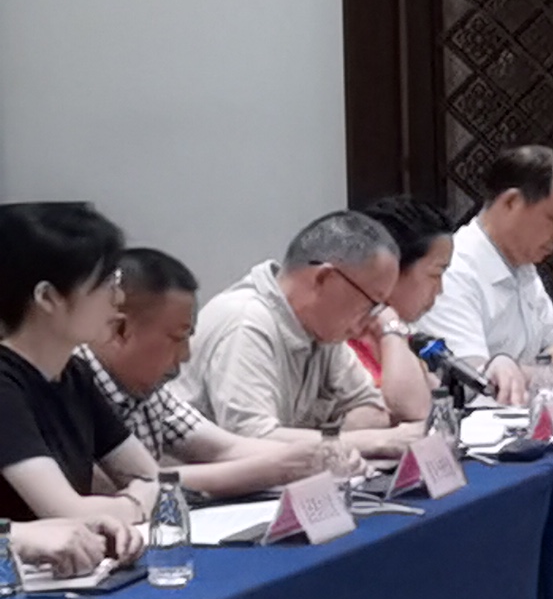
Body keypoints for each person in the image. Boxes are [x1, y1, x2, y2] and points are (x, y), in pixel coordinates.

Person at [78, 247, 337, 499]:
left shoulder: (148, 391)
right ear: (120, 330)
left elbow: (224, 448)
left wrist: (317, 455)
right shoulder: (71, 386)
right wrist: (277, 467)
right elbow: (139, 483)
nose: (185, 355)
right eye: (177, 338)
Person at [181, 212, 420, 458]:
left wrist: (324, 439)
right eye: (372, 303)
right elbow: (251, 440)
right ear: (325, 278)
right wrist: (376, 442)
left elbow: (375, 411)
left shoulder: (323, 329)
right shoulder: (246, 321)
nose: (372, 318)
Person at [0, 202, 153, 575]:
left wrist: (126, 501)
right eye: (106, 284)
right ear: (47, 298)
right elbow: (67, 512)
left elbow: (154, 478)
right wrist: (135, 503)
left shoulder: (74, 373)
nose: (118, 299)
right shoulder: (4, 384)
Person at [431, 146, 553, 403]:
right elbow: (476, 382)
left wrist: (514, 370)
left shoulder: (522, 265)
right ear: (511, 202)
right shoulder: (452, 271)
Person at [353, 196, 458, 426]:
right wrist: (391, 327)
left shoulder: (401, 334)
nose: (440, 290)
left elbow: (430, 403)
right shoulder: (339, 340)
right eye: (435, 275)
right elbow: (414, 410)